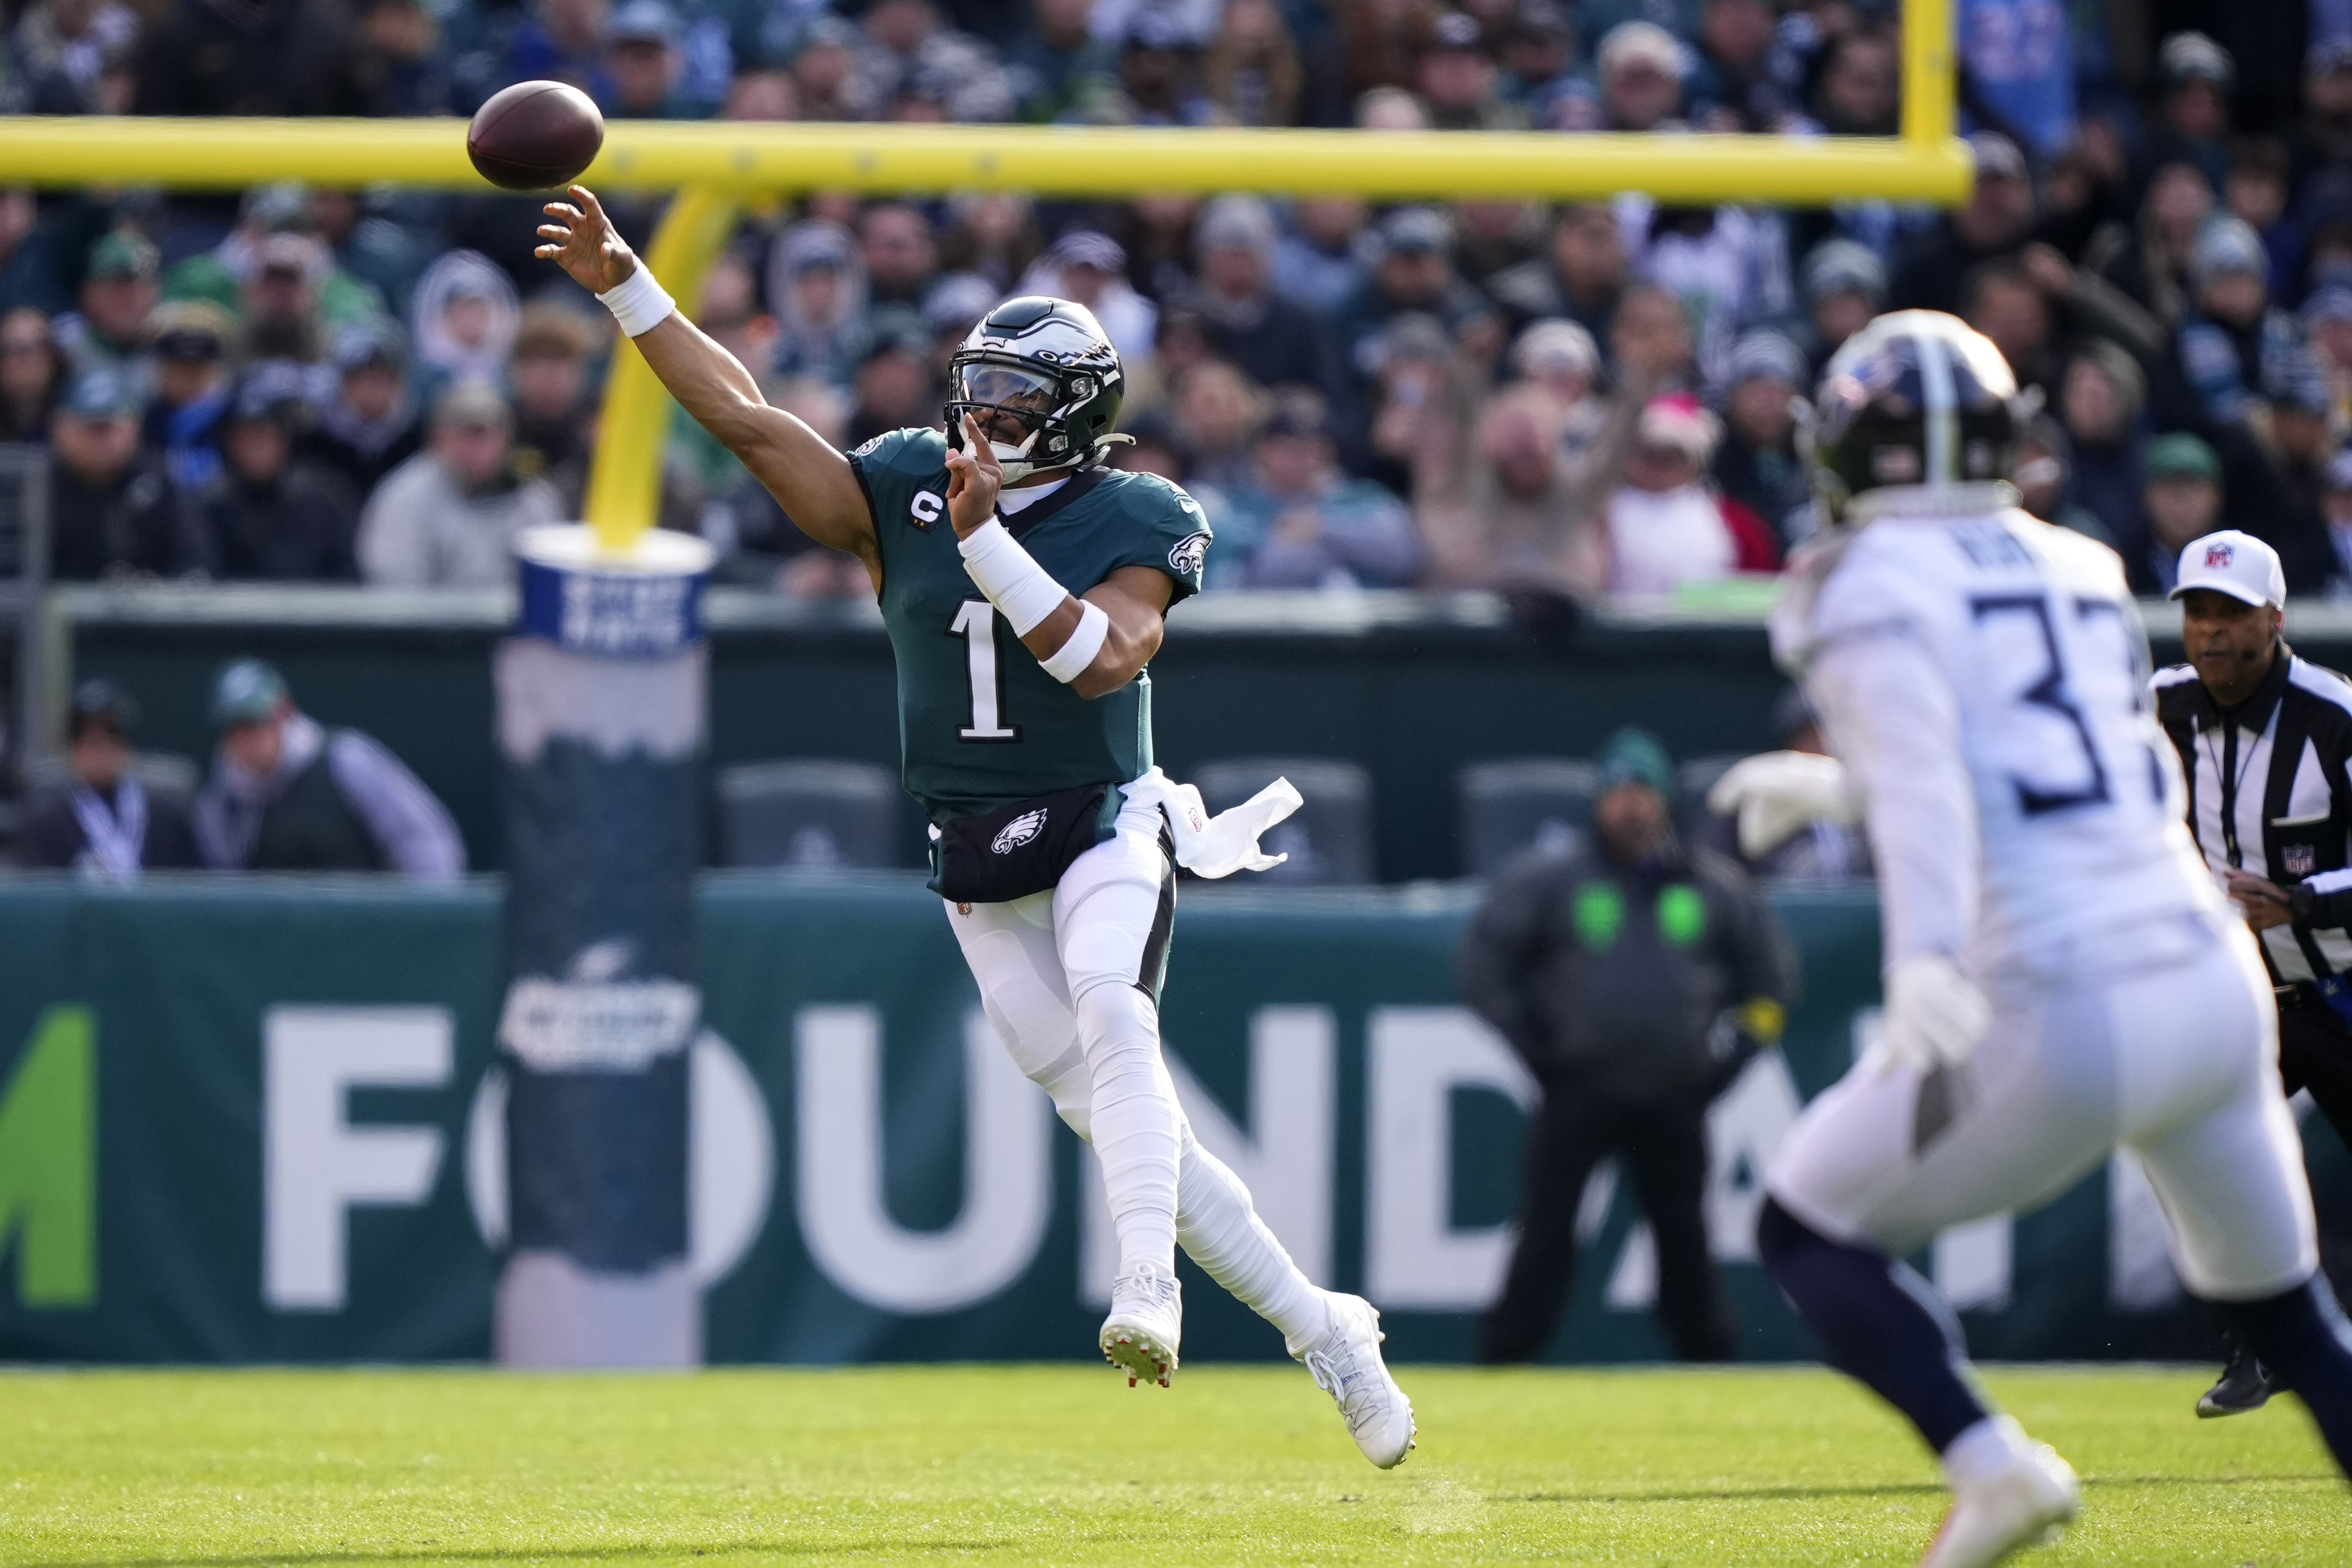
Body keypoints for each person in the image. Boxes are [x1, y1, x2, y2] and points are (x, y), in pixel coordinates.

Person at [532, 182, 1415, 1466]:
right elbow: (744, 417)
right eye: (975, 390)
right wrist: (629, 286)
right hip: (971, 858)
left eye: (1009, 401)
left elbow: (1102, 663)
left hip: (1106, 813)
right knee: (1123, 1121)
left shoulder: (1140, 515)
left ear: (1071, 420)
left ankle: (1145, 1291)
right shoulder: (903, 483)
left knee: (1118, 1011)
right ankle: (1322, 1328)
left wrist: (989, 540)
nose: (976, 419)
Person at [1713, 311, 2352, 1566]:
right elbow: (2053, 767)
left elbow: (1929, 793)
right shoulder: (2073, 560)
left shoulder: (1860, 580)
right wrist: (1839, 787)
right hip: (2212, 986)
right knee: (2296, 1325)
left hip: (2062, 990)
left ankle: (1991, 1463)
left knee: (1803, 1226)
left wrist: (1922, 960)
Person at [1459, 726, 1795, 1365]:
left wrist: (1730, 1059)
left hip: (1676, 1091)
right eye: (1617, 792)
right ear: (1597, 801)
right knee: (1548, 1228)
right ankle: (1505, 1357)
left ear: (1664, 800)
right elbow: (1483, 962)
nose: (1630, 805)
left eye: (1642, 791)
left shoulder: (1709, 886)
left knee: (1684, 1236)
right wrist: (1534, 1044)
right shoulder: (1556, 880)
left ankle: (1707, 1360)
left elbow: (1771, 981)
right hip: (1580, 1086)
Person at [2152, 530, 2352, 1418]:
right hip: (2233, 991)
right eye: (2197, 611)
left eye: (2231, 613)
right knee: (2195, 1158)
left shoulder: (2332, 716)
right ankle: (2254, 1349)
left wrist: (2304, 903)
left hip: (2338, 987)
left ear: (2275, 618)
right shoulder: (2157, 707)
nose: (2211, 633)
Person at [192, 658, 463, 878]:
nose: (247, 741)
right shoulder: (220, 802)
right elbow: (227, 885)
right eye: (234, 730)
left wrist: (424, 922)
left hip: (371, 929)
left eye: (254, 724)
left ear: (284, 712)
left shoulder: (347, 760)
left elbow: (425, 839)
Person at [356, 379, 566, 588]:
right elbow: (395, 588)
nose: (477, 447)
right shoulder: (403, 496)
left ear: (507, 439)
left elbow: (551, 578)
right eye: (465, 435)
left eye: (486, 434)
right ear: (438, 439)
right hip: (430, 619)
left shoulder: (533, 495)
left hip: (515, 619)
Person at [15, 679, 199, 875]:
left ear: (126, 746)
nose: (99, 749)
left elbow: (196, 886)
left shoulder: (167, 817)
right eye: (86, 739)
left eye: (111, 736)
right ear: (72, 750)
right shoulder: (46, 822)